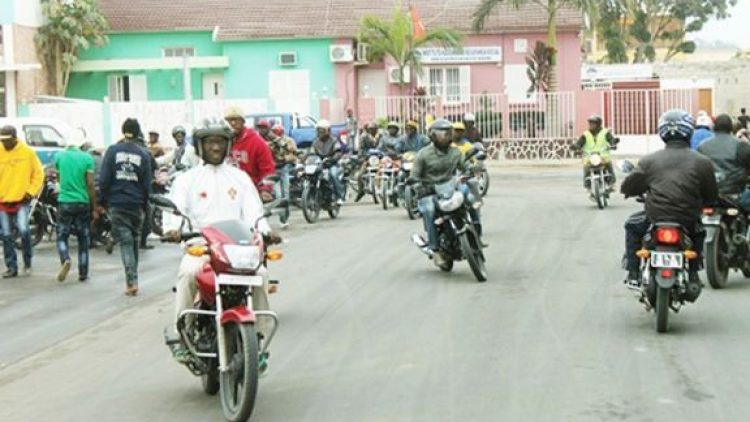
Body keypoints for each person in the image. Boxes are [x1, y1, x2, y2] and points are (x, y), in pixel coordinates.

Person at [164, 119, 280, 368]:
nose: (215, 147)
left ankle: (257, 340)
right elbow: (175, 211)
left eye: (220, 141)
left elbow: (254, 214)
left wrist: (266, 231)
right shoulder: (187, 180)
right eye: (210, 142)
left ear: (228, 145)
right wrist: (173, 230)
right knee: (188, 272)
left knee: (260, 274)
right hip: (201, 247)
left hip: (236, 251)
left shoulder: (240, 178)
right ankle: (182, 334)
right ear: (200, 146)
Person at [621, 109, 717, 298]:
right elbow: (711, 194)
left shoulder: (649, 160)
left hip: (655, 217)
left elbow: (629, 185)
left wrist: (631, 191)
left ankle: (633, 272)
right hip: (687, 219)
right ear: (689, 131)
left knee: (632, 226)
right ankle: (693, 273)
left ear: (662, 132)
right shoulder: (703, 162)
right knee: (699, 232)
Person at [411, 119, 483, 267]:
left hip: (450, 186)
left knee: (468, 195)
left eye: (448, 133)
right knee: (429, 210)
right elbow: (414, 176)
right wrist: (419, 186)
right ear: (432, 135)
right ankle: (435, 249)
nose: (446, 137)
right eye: (442, 134)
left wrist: (472, 170)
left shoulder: (455, 152)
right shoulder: (423, 155)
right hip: (429, 191)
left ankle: (476, 231)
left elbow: (465, 166)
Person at [100, 118, 153, 296]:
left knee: (126, 243)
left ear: (123, 131)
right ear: (138, 133)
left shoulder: (112, 151)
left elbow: (105, 178)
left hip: (117, 203)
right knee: (134, 241)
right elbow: (147, 184)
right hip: (136, 204)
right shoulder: (143, 154)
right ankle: (134, 279)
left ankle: (131, 281)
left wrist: (103, 200)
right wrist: (146, 204)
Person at [0, 125, 44, 278]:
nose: (5, 143)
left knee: (24, 230)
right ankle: (11, 267)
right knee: (6, 235)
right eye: (2, 140)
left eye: (7, 140)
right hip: (3, 201)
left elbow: (38, 174)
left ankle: (27, 261)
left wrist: (30, 192)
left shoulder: (27, 153)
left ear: (15, 137)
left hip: (21, 200)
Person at [54, 135, 99, 283]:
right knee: (83, 239)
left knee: (61, 235)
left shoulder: (59, 157)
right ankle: (83, 272)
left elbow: (59, 179)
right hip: (82, 202)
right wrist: (94, 206)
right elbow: (91, 184)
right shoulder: (87, 158)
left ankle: (65, 258)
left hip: (65, 201)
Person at [697, 114, 750, 211]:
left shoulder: (702, 146)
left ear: (714, 127)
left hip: (708, 197)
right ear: (731, 127)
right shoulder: (741, 145)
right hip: (736, 195)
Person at [224, 106, 275, 189]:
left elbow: (267, 169)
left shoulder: (257, 142)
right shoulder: (222, 141)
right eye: (229, 120)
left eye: (236, 119)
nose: (232, 123)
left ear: (243, 121)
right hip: (227, 190)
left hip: (250, 190)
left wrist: (265, 189)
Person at [573, 115, 618, 190]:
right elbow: (579, 142)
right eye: (590, 123)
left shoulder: (605, 132)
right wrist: (576, 147)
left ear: (598, 124)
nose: (590, 125)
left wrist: (613, 144)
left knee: (609, 165)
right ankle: (587, 186)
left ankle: (612, 184)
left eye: (593, 123)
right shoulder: (586, 134)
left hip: (603, 156)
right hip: (589, 157)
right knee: (586, 168)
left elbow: (611, 139)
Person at [268, 124, 298, 228]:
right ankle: (282, 219)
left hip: (285, 168)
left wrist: (285, 159)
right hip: (274, 170)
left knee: (286, 195)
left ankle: (285, 217)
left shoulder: (288, 141)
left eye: (276, 132)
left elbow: (293, 152)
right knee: (278, 195)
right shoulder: (269, 143)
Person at [311, 119, 345, 204]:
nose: (320, 132)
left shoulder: (334, 140)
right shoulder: (316, 141)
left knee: (333, 174)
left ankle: (339, 196)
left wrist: (332, 159)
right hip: (319, 164)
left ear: (328, 130)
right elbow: (311, 152)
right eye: (318, 130)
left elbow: (338, 152)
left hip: (331, 164)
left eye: (322, 130)